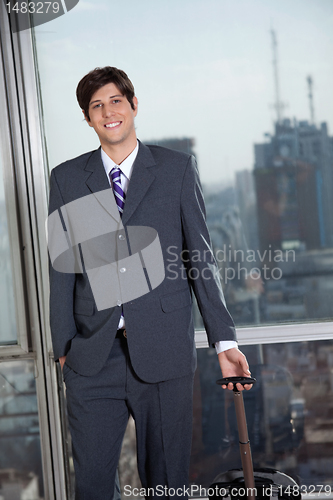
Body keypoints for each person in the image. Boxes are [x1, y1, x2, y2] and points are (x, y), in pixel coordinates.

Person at [48, 66, 252, 500]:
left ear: (134, 105)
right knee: (92, 486)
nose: (108, 112)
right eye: (96, 106)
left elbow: (201, 259)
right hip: (92, 356)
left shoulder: (176, 169)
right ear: (88, 118)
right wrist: (64, 348)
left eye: (115, 101)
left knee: (167, 484)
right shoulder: (67, 179)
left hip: (165, 354)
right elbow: (63, 268)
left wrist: (224, 341)